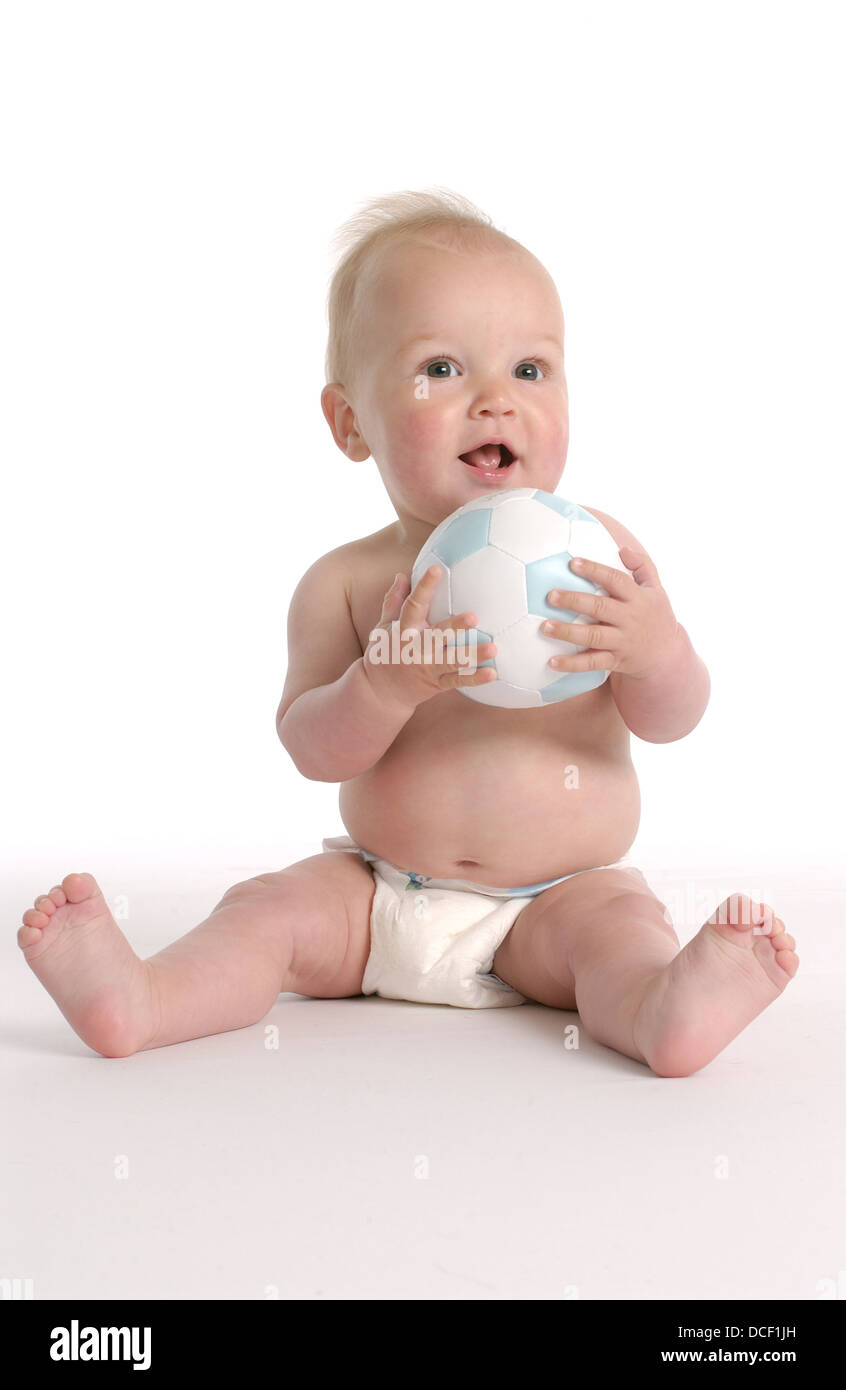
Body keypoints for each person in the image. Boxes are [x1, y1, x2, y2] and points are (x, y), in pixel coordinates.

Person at [18, 189, 798, 1076]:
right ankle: (144, 999)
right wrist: (382, 684)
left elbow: (672, 718)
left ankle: (667, 1011)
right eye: (443, 369)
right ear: (352, 422)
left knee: (617, 939)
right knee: (264, 913)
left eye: (530, 371)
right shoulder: (347, 585)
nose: (496, 403)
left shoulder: (600, 558)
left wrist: (658, 651)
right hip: (378, 893)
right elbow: (313, 749)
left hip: (557, 901)